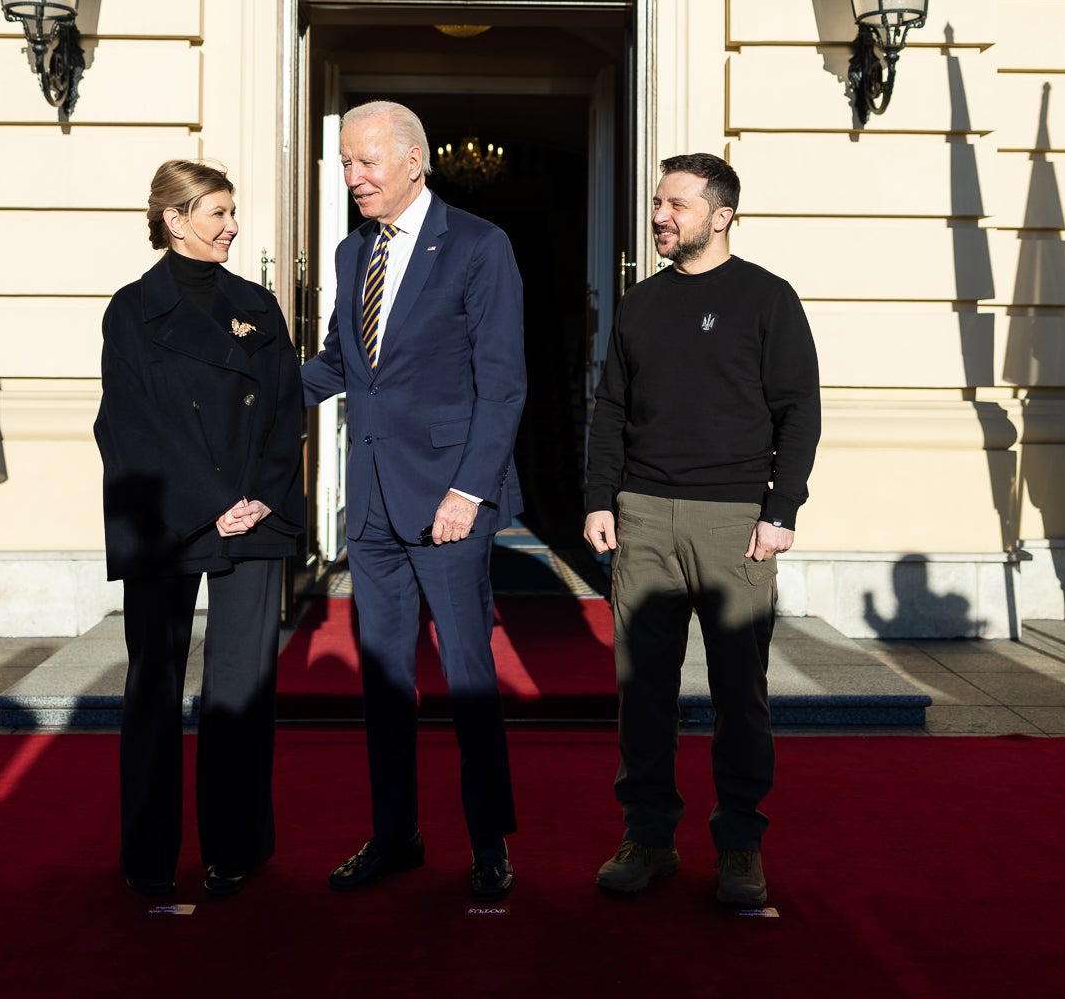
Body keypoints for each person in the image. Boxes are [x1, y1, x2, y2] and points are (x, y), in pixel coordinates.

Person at [301, 101, 526, 901]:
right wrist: (247, 390)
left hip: (449, 505)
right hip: (370, 507)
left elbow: (503, 385)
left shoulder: (477, 244)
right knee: (385, 684)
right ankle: (396, 835)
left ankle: (490, 845)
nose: (353, 177)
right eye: (346, 162)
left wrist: (469, 491)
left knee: (467, 680)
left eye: (365, 162)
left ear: (412, 162)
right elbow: (340, 363)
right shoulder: (349, 251)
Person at [582, 153, 820, 907]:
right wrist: (600, 499)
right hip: (644, 516)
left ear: (720, 216)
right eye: (658, 202)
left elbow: (799, 411)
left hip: (735, 524)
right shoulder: (640, 302)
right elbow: (612, 406)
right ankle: (649, 837)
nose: (660, 216)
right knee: (642, 691)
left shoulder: (767, 299)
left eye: (676, 205)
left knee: (738, 693)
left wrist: (781, 511)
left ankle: (741, 845)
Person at [94, 160, 304, 898]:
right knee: (154, 685)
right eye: (217, 213)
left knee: (241, 689)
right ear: (174, 219)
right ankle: (148, 856)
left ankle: (235, 848)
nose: (233, 226)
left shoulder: (258, 303)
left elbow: (284, 411)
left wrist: (257, 498)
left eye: (232, 211)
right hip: (170, 514)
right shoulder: (131, 310)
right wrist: (211, 501)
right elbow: (131, 422)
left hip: (256, 512)